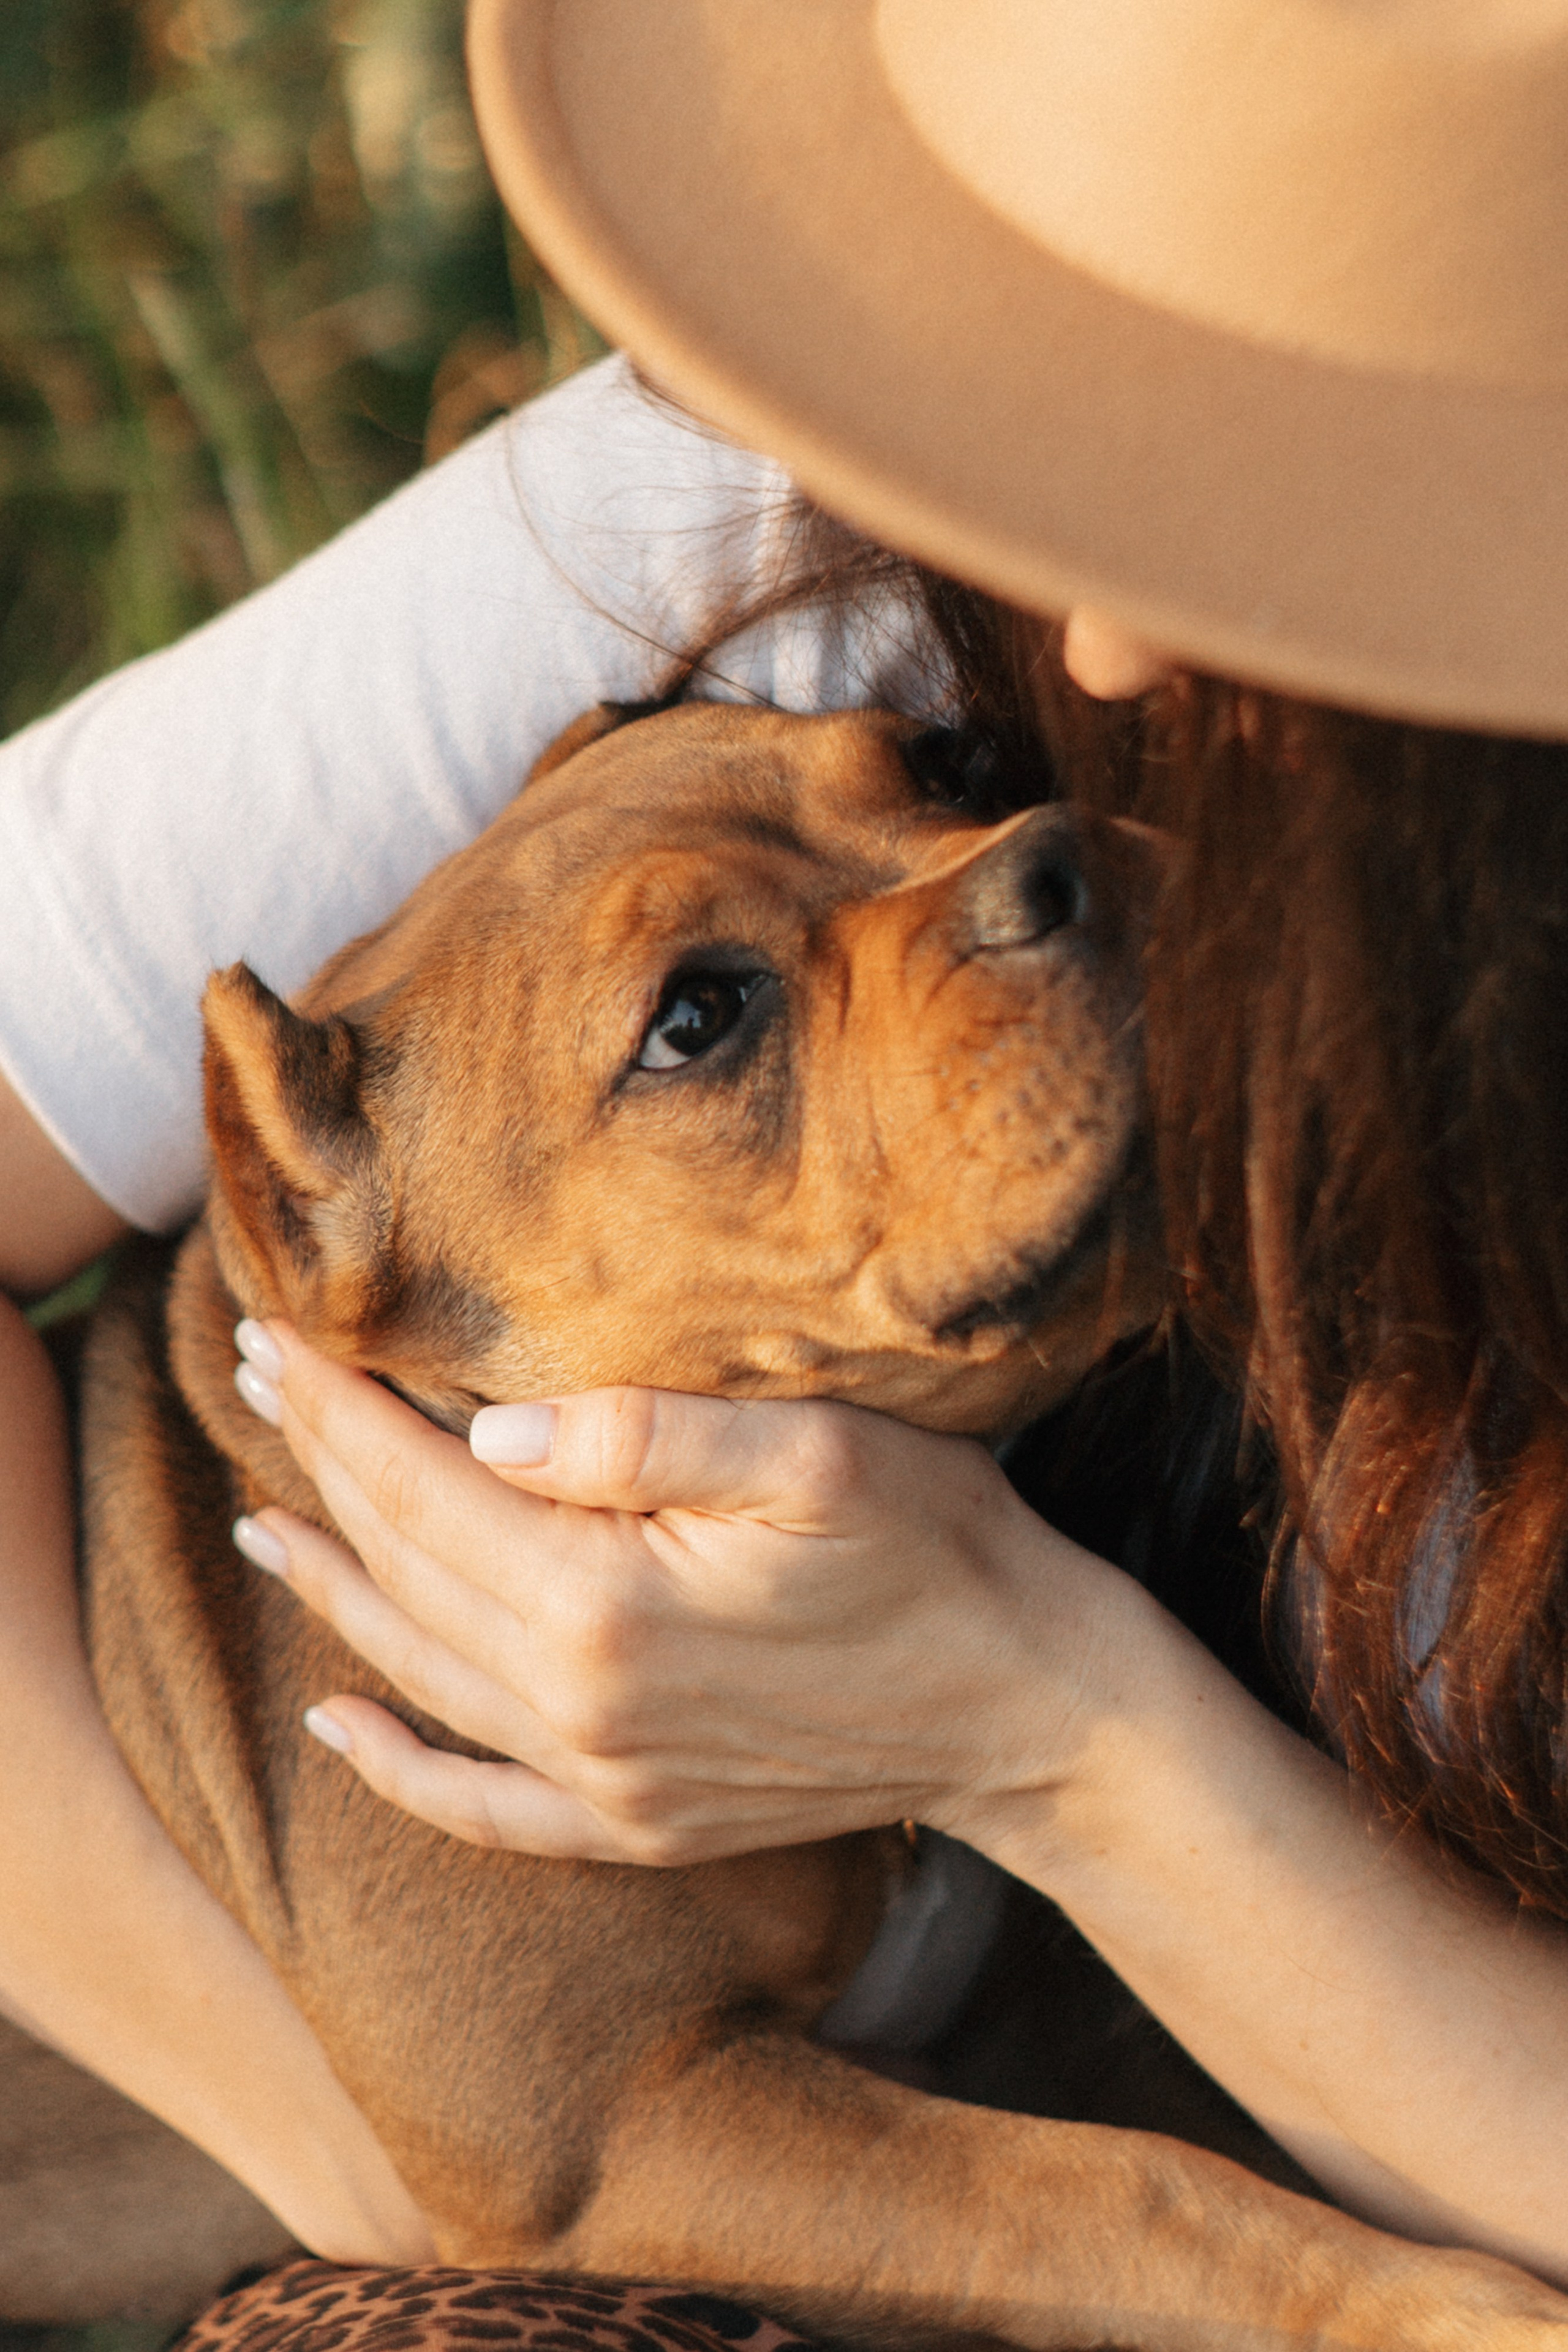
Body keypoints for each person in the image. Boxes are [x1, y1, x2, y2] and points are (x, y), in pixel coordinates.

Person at [4, 0, 1568, 2337]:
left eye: (1306, 479)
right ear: (329, 1227)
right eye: (930, 766)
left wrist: (1042, 1722)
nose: (1019, 834)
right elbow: (559, 2150)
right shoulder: (773, 536)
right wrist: (360, 2146)